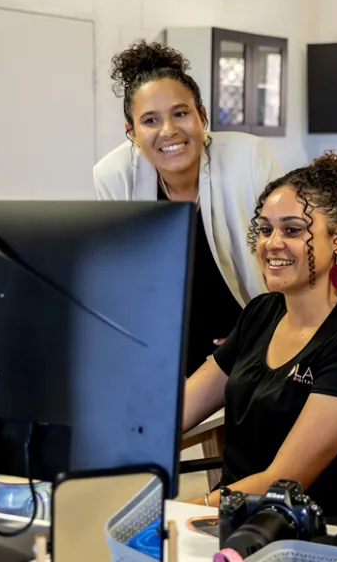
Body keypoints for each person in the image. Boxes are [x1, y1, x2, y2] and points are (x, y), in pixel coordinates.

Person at [180, 152, 337, 516]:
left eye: (293, 230)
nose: (272, 243)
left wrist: (180, 512)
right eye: (266, 229)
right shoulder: (261, 313)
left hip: (310, 531)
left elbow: (283, 481)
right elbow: (182, 410)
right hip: (236, 516)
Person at [93, 41, 281, 377]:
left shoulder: (246, 159)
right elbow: (125, 280)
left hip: (252, 352)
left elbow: (289, 260)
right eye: (150, 120)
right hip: (165, 355)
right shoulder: (114, 176)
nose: (169, 131)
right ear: (132, 133)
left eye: (180, 113)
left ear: (202, 117)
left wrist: (260, 338)